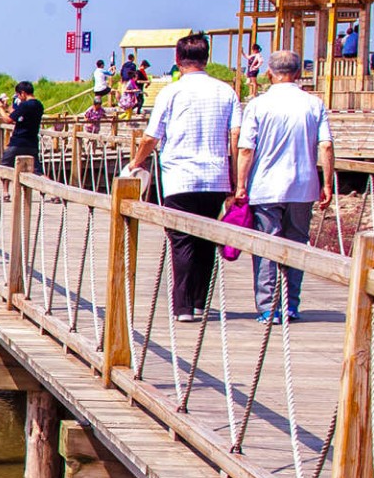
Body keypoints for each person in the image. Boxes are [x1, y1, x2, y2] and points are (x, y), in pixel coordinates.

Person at [126, 34, 239, 322]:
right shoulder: (226, 92)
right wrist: (236, 176)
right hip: (216, 176)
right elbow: (236, 135)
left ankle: (184, 306)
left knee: (181, 240)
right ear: (207, 58)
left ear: (178, 60)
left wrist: (136, 163)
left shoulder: (171, 92)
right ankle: (200, 302)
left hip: (180, 176)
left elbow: (152, 136)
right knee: (206, 239)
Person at [234, 50, 334, 322]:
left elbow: (246, 149)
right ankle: (291, 304)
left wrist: (240, 184)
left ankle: (268, 307)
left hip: (265, 185)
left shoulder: (258, 104)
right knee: (297, 244)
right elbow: (325, 145)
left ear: (269, 73)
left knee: (267, 244)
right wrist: (327, 182)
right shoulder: (314, 104)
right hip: (303, 185)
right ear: (299, 73)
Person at [0, 80, 44, 171]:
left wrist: (0, 108)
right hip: (32, 142)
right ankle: (49, 184)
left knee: (4, 167)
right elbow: (17, 115)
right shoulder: (39, 105)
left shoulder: (25, 105)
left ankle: (5, 186)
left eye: (18, 95)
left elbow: (8, 120)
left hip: (18, 141)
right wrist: (7, 107)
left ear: (23, 93)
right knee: (36, 171)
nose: (19, 98)